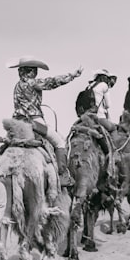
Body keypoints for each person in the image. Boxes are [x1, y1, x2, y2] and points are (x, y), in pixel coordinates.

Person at [8, 56, 81, 186]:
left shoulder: (17, 85)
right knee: (59, 143)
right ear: (31, 71)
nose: (35, 73)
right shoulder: (32, 83)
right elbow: (52, 82)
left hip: (17, 122)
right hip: (35, 121)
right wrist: (72, 76)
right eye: (34, 70)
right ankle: (62, 175)